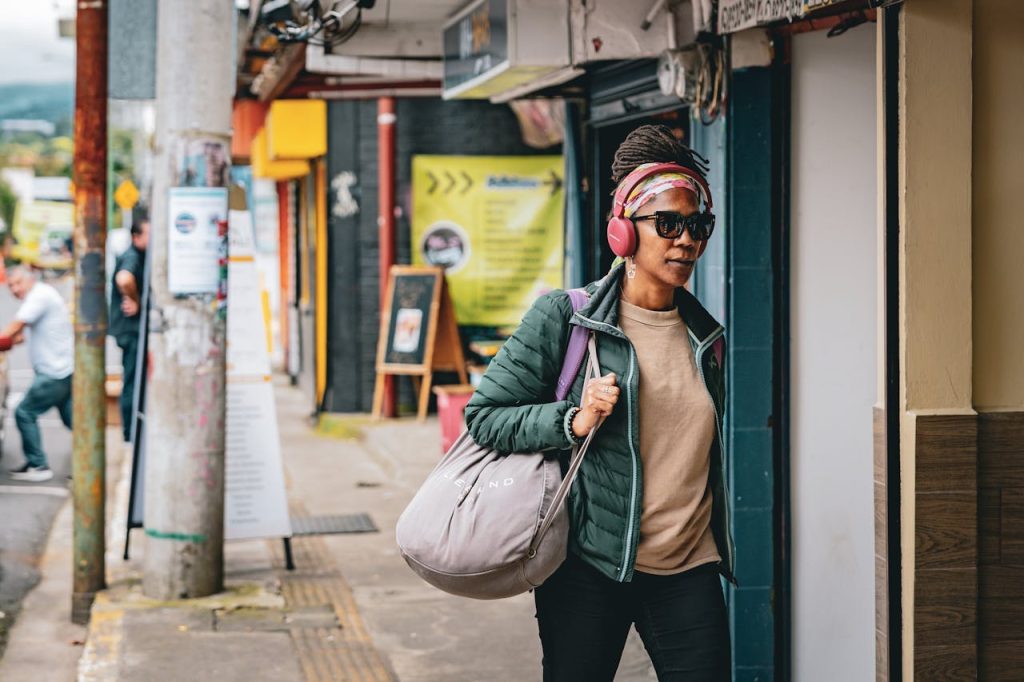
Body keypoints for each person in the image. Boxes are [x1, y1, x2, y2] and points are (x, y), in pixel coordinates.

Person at [464, 124, 733, 681]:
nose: (686, 239)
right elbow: (484, 417)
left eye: (697, 225)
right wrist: (572, 419)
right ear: (622, 232)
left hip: (688, 567)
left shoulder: (706, 337)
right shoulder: (566, 318)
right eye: (668, 223)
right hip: (588, 566)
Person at [2, 267, 73, 482]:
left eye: (18, 283)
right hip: (63, 369)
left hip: (54, 372)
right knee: (73, 420)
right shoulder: (42, 294)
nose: (14, 289)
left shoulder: (39, 296)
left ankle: (38, 464)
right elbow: (22, 335)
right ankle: (90, 461)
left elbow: (16, 327)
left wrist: (4, 340)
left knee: (24, 413)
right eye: (10, 286)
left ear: (29, 280)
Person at [110, 209, 148, 442]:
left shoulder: (138, 254)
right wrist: (135, 300)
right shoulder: (132, 255)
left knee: (134, 380)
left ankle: (132, 431)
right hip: (130, 331)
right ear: (136, 237)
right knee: (132, 381)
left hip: (129, 330)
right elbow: (124, 278)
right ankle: (130, 434)